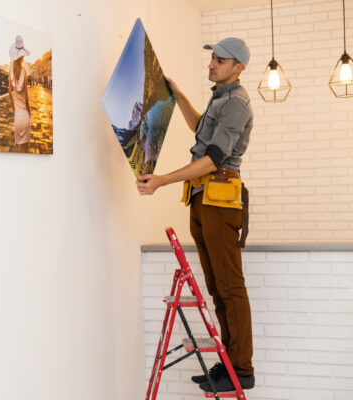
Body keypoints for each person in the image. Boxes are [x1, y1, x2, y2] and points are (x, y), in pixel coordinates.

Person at [136, 37, 255, 392]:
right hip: (204, 199)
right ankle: (230, 365)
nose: (211, 64)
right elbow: (201, 128)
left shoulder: (237, 103)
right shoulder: (220, 99)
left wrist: (162, 180)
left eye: (220, 60)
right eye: (212, 58)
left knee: (230, 287)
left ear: (238, 67)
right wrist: (178, 96)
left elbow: (213, 158)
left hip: (219, 199)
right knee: (218, 287)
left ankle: (242, 368)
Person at [8, 35, 32, 153]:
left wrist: (13, 108)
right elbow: (26, 97)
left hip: (17, 116)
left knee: (18, 148)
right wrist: (29, 110)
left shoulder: (10, 70)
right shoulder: (24, 72)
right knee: (25, 150)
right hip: (25, 115)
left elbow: (9, 92)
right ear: (22, 56)